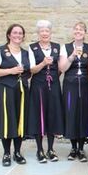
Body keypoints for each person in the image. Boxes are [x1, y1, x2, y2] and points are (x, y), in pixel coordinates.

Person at [0, 24, 30, 166]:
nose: (17, 35)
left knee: (19, 120)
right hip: (5, 90)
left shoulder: (25, 53)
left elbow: (29, 71)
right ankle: (6, 153)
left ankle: (17, 152)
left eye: (20, 33)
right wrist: (10, 71)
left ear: (23, 36)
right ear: (9, 35)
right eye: (15, 33)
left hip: (22, 90)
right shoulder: (0, 51)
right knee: (7, 121)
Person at [28, 20, 64, 163]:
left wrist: (53, 77)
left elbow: (61, 67)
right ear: (38, 33)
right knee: (39, 115)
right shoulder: (32, 48)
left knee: (52, 115)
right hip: (38, 86)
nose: (44, 33)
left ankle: (50, 149)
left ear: (50, 33)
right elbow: (32, 69)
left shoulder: (57, 47)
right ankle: (39, 150)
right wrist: (43, 63)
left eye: (47, 31)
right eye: (42, 31)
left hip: (53, 86)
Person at [59, 22, 88, 162]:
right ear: (73, 32)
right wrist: (72, 55)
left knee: (83, 114)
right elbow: (62, 68)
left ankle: (81, 148)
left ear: (85, 32)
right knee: (71, 113)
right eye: (76, 29)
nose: (78, 31)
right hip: (70, 85)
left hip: (86, 84)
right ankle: (73, 148)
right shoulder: (65, 47)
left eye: (81, 29)